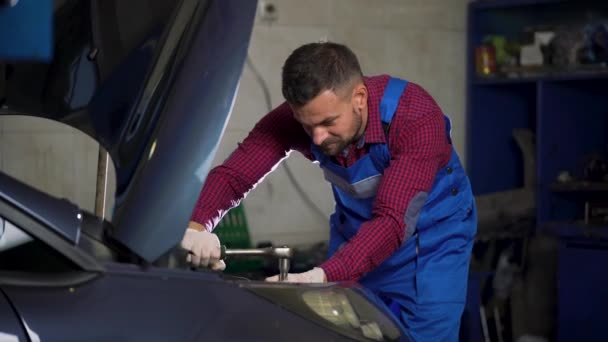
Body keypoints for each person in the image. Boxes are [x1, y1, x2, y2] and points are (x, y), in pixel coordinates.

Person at [180, 42, 477, 341]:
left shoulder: (416, 118)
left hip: (431, 245)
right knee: (337, 333)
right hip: (356, 238)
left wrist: (320, 275)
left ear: (359, 98)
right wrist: (196, 227)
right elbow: (234, 175)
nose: (318, 138)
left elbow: (391, 221)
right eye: (307, 126)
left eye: (328, 123)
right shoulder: (307, 116)